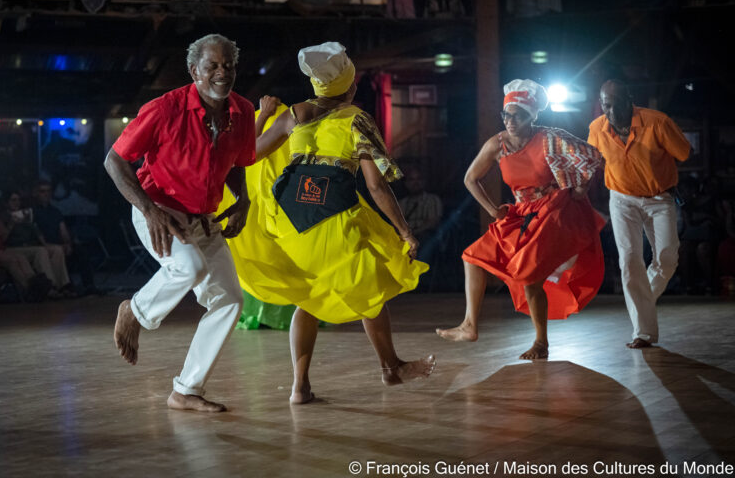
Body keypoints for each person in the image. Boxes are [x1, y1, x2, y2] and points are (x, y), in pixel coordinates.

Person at [248, 42, 435, 404]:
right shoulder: (356, 119)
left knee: (310, 295)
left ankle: (300, 387)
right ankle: (390, 368)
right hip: (331, 216)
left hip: (289, 222)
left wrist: (262, 114)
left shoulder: (294, 114)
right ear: (349, 85)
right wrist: (405, 230)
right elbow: (376, 185)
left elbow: (249, 154)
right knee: (371, 286)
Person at [104, 34, 255, 412]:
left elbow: (237, 164)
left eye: (229, 66)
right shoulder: (164, 109)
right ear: (194, 71)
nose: (222, 73)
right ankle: (134, 311)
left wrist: (244, 200)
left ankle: (186, 390)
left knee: (230, 300)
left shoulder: (243, 111)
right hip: (158, 208)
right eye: (212, 66)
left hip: (203, 216)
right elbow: (114, 161)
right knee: (188, 268)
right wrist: (149, 210)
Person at [436, 79, 605, 360]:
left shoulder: (550, 138)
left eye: (518, 115)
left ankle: (541, 342)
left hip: (552, 210)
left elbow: (592, 155)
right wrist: (492, 210)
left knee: (529, 275)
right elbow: (470, 179)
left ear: (532, 116)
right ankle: (469, 325)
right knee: (472, 257)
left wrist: (579, 187)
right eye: (506, 115)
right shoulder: (497, 144)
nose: (510, 121)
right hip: (520, 213)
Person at [587, 80, 690, 349]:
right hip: (622, 200)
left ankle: (642, 300)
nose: (610, 111)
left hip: (659, 198)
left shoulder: (657, 123)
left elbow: (684, 152)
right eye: (605, 105)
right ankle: (643, 332)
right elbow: (591, 161)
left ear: (629, 100)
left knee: (667, 258)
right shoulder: (597, 129)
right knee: (630, 259)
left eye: (615, 104)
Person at [216, 97, 297, 330]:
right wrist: (263, 115)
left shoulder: (285, 124)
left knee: (271, 254)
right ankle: (275, 313)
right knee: (264, 252)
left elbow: (246, 152)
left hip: (270, 200)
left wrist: (264, 115)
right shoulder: (239, 127)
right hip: (258, 200)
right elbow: (246, 153)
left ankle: (273, 313)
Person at [32, 180, 100, 295]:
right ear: (36, 193)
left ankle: (88, 286)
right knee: (58, 252)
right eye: (42, 191)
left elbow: (63, 229)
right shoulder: (33, 212)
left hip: (59, 244)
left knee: (80, 251)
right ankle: (64, 285)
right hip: (45, 245)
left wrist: (68, 243)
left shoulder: (55, 211)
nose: (46, 194)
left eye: (48, 191)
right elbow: (35, 232)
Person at [2, 191, 74, 298]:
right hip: (13, 248)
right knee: (40, 251)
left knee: (56, 250)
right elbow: (2, 239)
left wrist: (46, 244)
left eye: (18, 200)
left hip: (30, 246)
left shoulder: (26, 215)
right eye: (13, 200)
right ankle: (50, 285)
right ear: (6, 202)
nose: (17, 202)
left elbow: (37, 232)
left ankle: (62, 285)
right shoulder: (3, 216)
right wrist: (12, 224)